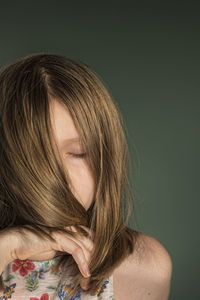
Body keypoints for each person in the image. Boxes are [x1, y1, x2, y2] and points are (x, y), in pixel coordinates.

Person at [0, 53, 172, 300]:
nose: (58, 177)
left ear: (106, 158)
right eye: (36, 156)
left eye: (79, 153)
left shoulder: (144, 267)